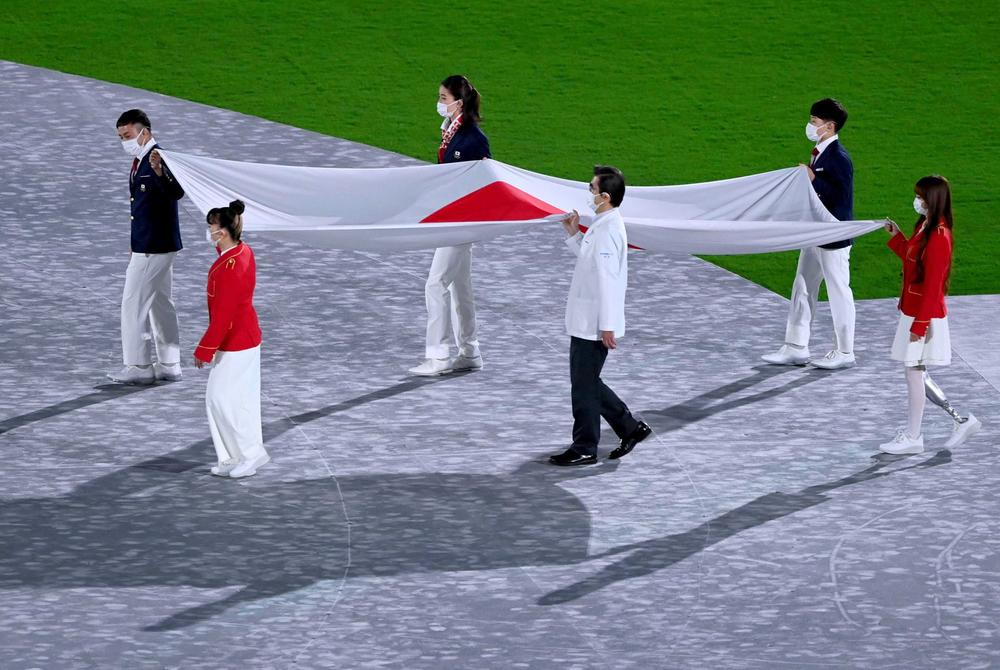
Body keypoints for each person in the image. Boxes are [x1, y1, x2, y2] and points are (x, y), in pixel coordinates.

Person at [549, 166, 651, 466]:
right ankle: (630, 428)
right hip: (587, 319)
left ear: (605, 196)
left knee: (583, 386)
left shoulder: (608, 230)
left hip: (593, 323)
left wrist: (606, 326)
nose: (589, 193)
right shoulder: (603, 223)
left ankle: (585, 447)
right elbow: (591, 264)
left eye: (592, 189)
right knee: (587, 381)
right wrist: (572, 235)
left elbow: (608, 280)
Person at [880, 176, 981, 454]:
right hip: (913, 311)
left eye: (921, 197)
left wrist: (920, 325)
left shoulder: (939, 236)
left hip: (923, 316)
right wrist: (898, 236)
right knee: (917, 372)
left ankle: (914, 436)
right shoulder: (925, 227)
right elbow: (913, 261)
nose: (917, 201)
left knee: (914, 372)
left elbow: (934, 284)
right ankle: (959, 420)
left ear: (932, 200)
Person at [762, 98, 857, 370]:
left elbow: (840, 198)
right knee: (802, 286)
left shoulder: (838, 158)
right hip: (814, 233)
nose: (810, 126)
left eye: (814, 122)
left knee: (839, 291)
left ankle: (845, 351)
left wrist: (812, 180)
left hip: (833, 238)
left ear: (829, 126)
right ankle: (795, 346)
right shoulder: (821, 153)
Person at [408, 75, 492, 377]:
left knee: (435, 284)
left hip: (461, 222)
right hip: (452, 219)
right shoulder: (452, 133)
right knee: (460, 287)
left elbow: (484, 184)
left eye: (443, 98)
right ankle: (470, 351)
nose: (439, 103)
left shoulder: (473, 139)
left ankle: (439, 355)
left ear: (458, 101)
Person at [108, 109, 186, 385]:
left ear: (145, 132)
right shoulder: (140, 160)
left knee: (133, 304)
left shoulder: (157, 158)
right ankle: (169, 363)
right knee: (161, 303)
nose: (124, 142)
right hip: (152, 243)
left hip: (154, 247)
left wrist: (158, 172)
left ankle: (139, 366)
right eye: (120, 137)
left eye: (127, 135)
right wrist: (134, 243)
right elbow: (140, 209)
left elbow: (176, 192)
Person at [194, 201, 270, 478]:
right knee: (235, 399)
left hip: (236, 341)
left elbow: (223, 316)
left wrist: (204, 350)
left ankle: (249, 455)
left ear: (222, 232)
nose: (209, 231)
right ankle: (236, 455)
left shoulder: (231, 267)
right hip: (244, 336)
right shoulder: (241, 251)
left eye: (212, 227)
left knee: (221, 399)